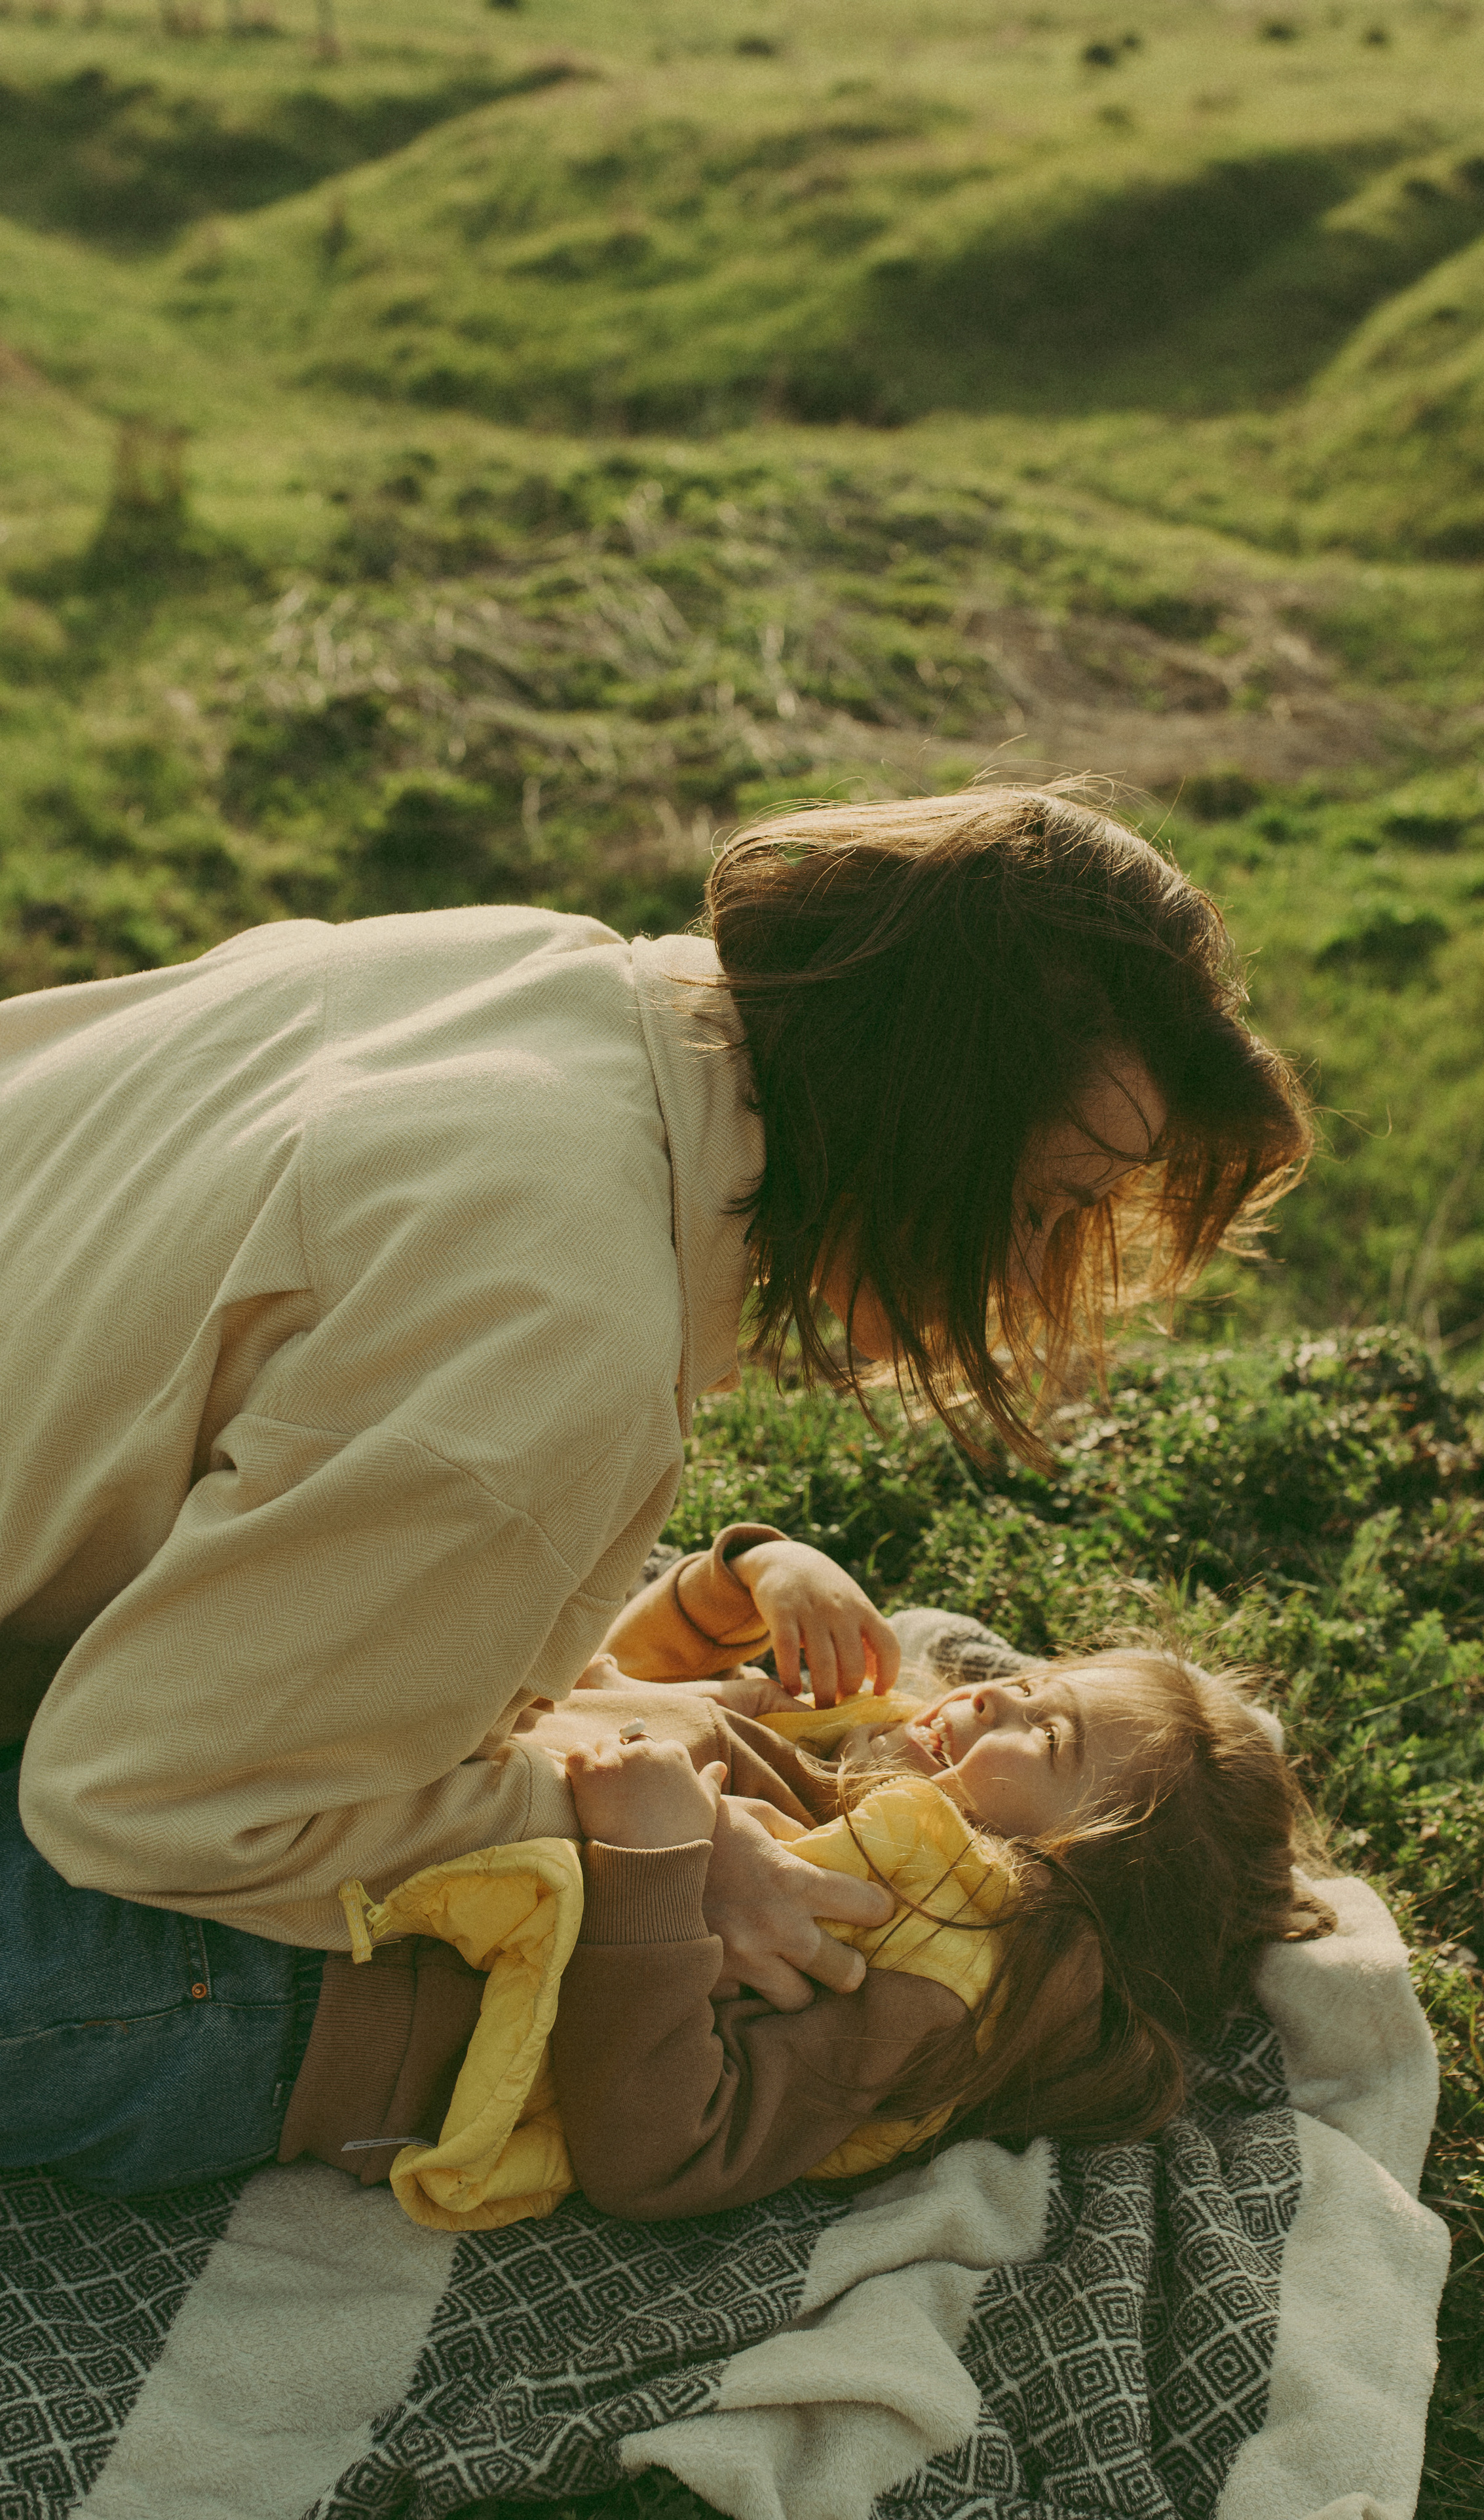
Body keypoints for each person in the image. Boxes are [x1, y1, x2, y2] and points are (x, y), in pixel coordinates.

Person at [0, 784, 1311, 2194]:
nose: (1021, 1284)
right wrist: (667, 1847)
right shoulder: (558, 1338)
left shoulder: (535, 968)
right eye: (1041, 1209)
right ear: (928, 1108)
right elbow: (133, 1801)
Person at [278, 1566, 1334, 2222]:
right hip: (342, 1825)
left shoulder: (924, 1967)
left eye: (1047, 1736)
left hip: (309, 1997)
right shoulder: (867, 1760)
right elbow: (612, 1688)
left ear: (1079, 1867)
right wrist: (739, 1579)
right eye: (1028, 1683)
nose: (989, 1698)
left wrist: (652, 1866)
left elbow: (665, 2155)